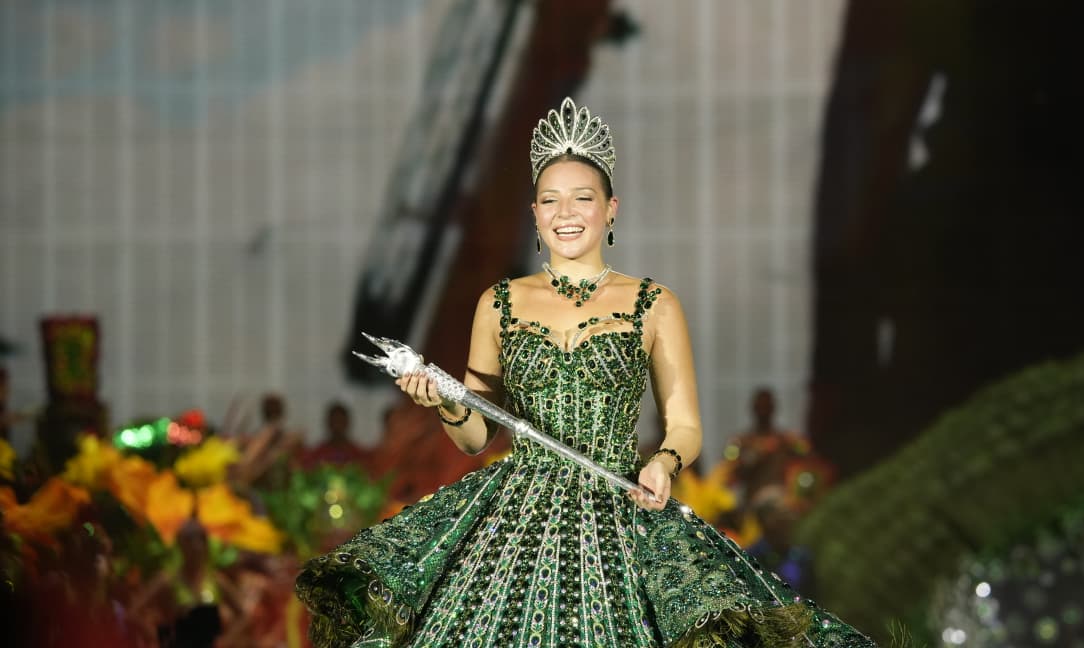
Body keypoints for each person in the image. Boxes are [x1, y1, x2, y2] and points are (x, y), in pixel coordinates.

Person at [296, 97, 874, 647]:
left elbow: (686, 426)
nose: (565, 214)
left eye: (582, 199)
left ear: (610, 209)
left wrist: (664, 463)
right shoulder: (498, 303)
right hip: (517, 520)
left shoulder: (655, 303)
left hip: (622, 512)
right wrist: (446, 403)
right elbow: (476, 436)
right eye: (550, 201)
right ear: (534, 213)